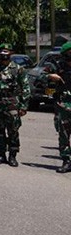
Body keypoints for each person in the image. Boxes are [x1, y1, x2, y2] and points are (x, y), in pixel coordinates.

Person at [0, 43, 30, 167]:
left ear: (11, 54)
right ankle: (1, 154)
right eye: (2, 54)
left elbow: (25, 88)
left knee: (13, 132)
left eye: (7, 54)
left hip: (12, 105)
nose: (4, 56)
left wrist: (24, 106)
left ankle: (13, 156)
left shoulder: (18, 69)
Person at [42, 41, 71, 173]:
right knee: (63, 135)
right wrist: (50, 76)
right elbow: (39, 77)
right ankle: (67, 161)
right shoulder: (57, 66)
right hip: (63, 105)